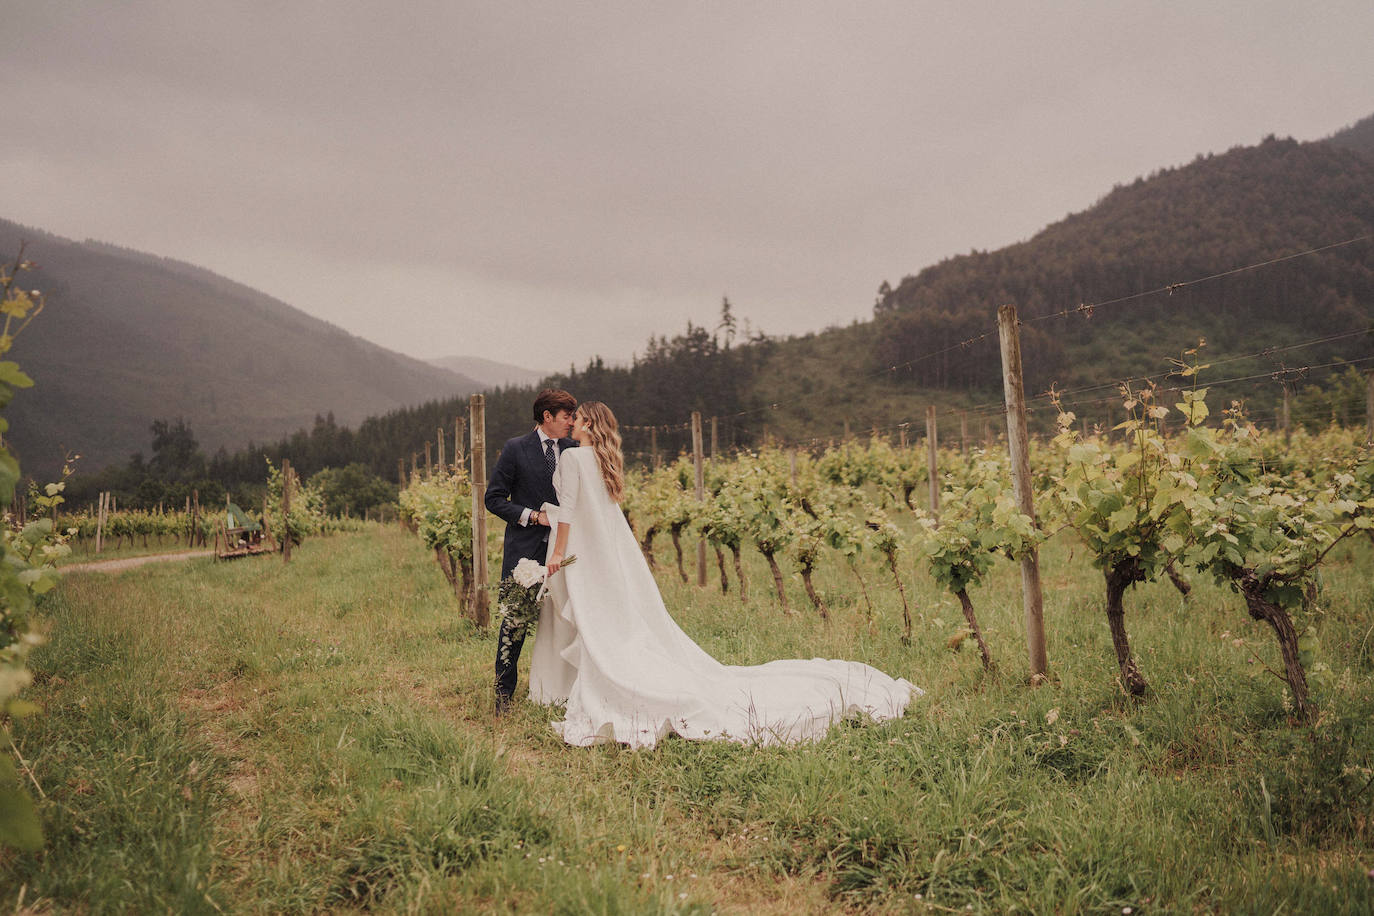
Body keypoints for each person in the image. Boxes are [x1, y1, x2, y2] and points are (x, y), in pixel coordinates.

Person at [529, 401, 920, 748]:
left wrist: (559, 553)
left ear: (591, 425)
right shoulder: (605, 461)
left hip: (585, 553)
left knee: (595, 625)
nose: (572, 423)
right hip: (612, 556)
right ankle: (570, 686)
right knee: (609, 623)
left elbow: (569, 513)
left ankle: (575, 688)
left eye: (578, 418)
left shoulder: (573, 458)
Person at [485, 388, 578, 713]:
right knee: (515, 622)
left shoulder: (574, 448)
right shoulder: (515, 449)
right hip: (526, 549)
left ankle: (567, 691)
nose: (571, 421)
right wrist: (533, 517)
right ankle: (502, 697)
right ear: (547, 416)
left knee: (569, 619)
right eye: (566, 416)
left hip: (566, 552)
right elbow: (493, 499)